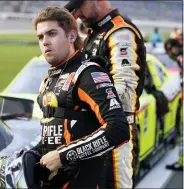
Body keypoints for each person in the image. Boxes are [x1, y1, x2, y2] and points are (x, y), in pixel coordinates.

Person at [25, 6, 130, 188]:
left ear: (72, 36)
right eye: (40, 37)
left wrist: (62, 155)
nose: (45, 42)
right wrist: (32, 154)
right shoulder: (49, 79)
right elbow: (57, 134)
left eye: (52, 34)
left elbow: (119, 129)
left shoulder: (88, 74)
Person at [64, 0, 147, 188]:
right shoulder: (94, 33)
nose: (76, 14)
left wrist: (83, 104)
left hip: (115, 136)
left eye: (79, 7)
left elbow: (125, 91)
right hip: (95, 134)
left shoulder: (120, 32)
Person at [164, 38, 183, 171]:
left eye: (168, 50)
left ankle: (182, 163)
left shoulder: (181, 58)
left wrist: (172, 94)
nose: (168, 53)